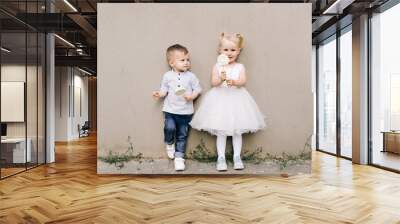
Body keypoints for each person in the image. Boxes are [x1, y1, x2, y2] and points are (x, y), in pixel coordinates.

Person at [190, 33, 265, 171]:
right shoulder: (217, 66)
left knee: (238, 131)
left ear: (238, 51)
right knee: (221, 131)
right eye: (226, 50)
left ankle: (237, 157)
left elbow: (243, 81)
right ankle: (221, 157)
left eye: (233, 50)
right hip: (220, 100)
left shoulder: (240, 67)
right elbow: (214, 83)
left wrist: (234, 81)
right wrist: (221, 78)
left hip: (237, 99)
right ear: (220, 50)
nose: (229, 53)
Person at [153, 44, 202, 171]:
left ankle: (179, 158)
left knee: (182, 135)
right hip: (170, 110)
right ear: (172, 63)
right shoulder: (167, 76)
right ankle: (169, 143)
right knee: (169, 128)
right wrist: (159, 94)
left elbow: (198, 89)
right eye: (182, 60)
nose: (186, 62)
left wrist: (192, 96)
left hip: (186, 112)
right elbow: (164, 90)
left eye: (187, 60)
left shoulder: (191, 76)